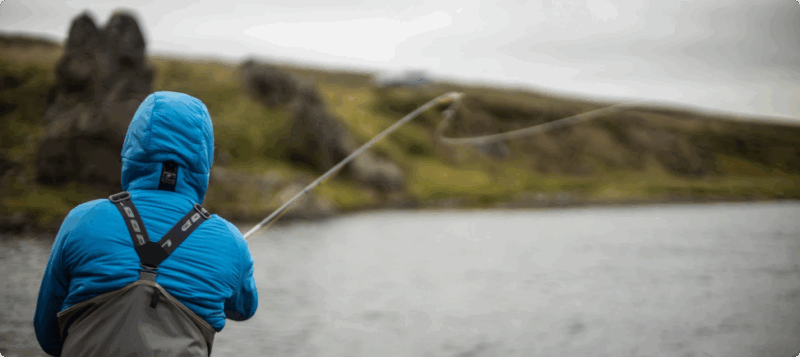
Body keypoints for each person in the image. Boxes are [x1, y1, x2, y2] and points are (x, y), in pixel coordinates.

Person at [33, 91, 258, 356]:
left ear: (133, 147)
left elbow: (48, 335)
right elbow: (244, 309)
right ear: (204, 160)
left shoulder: (81, 219)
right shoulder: (230, 241)